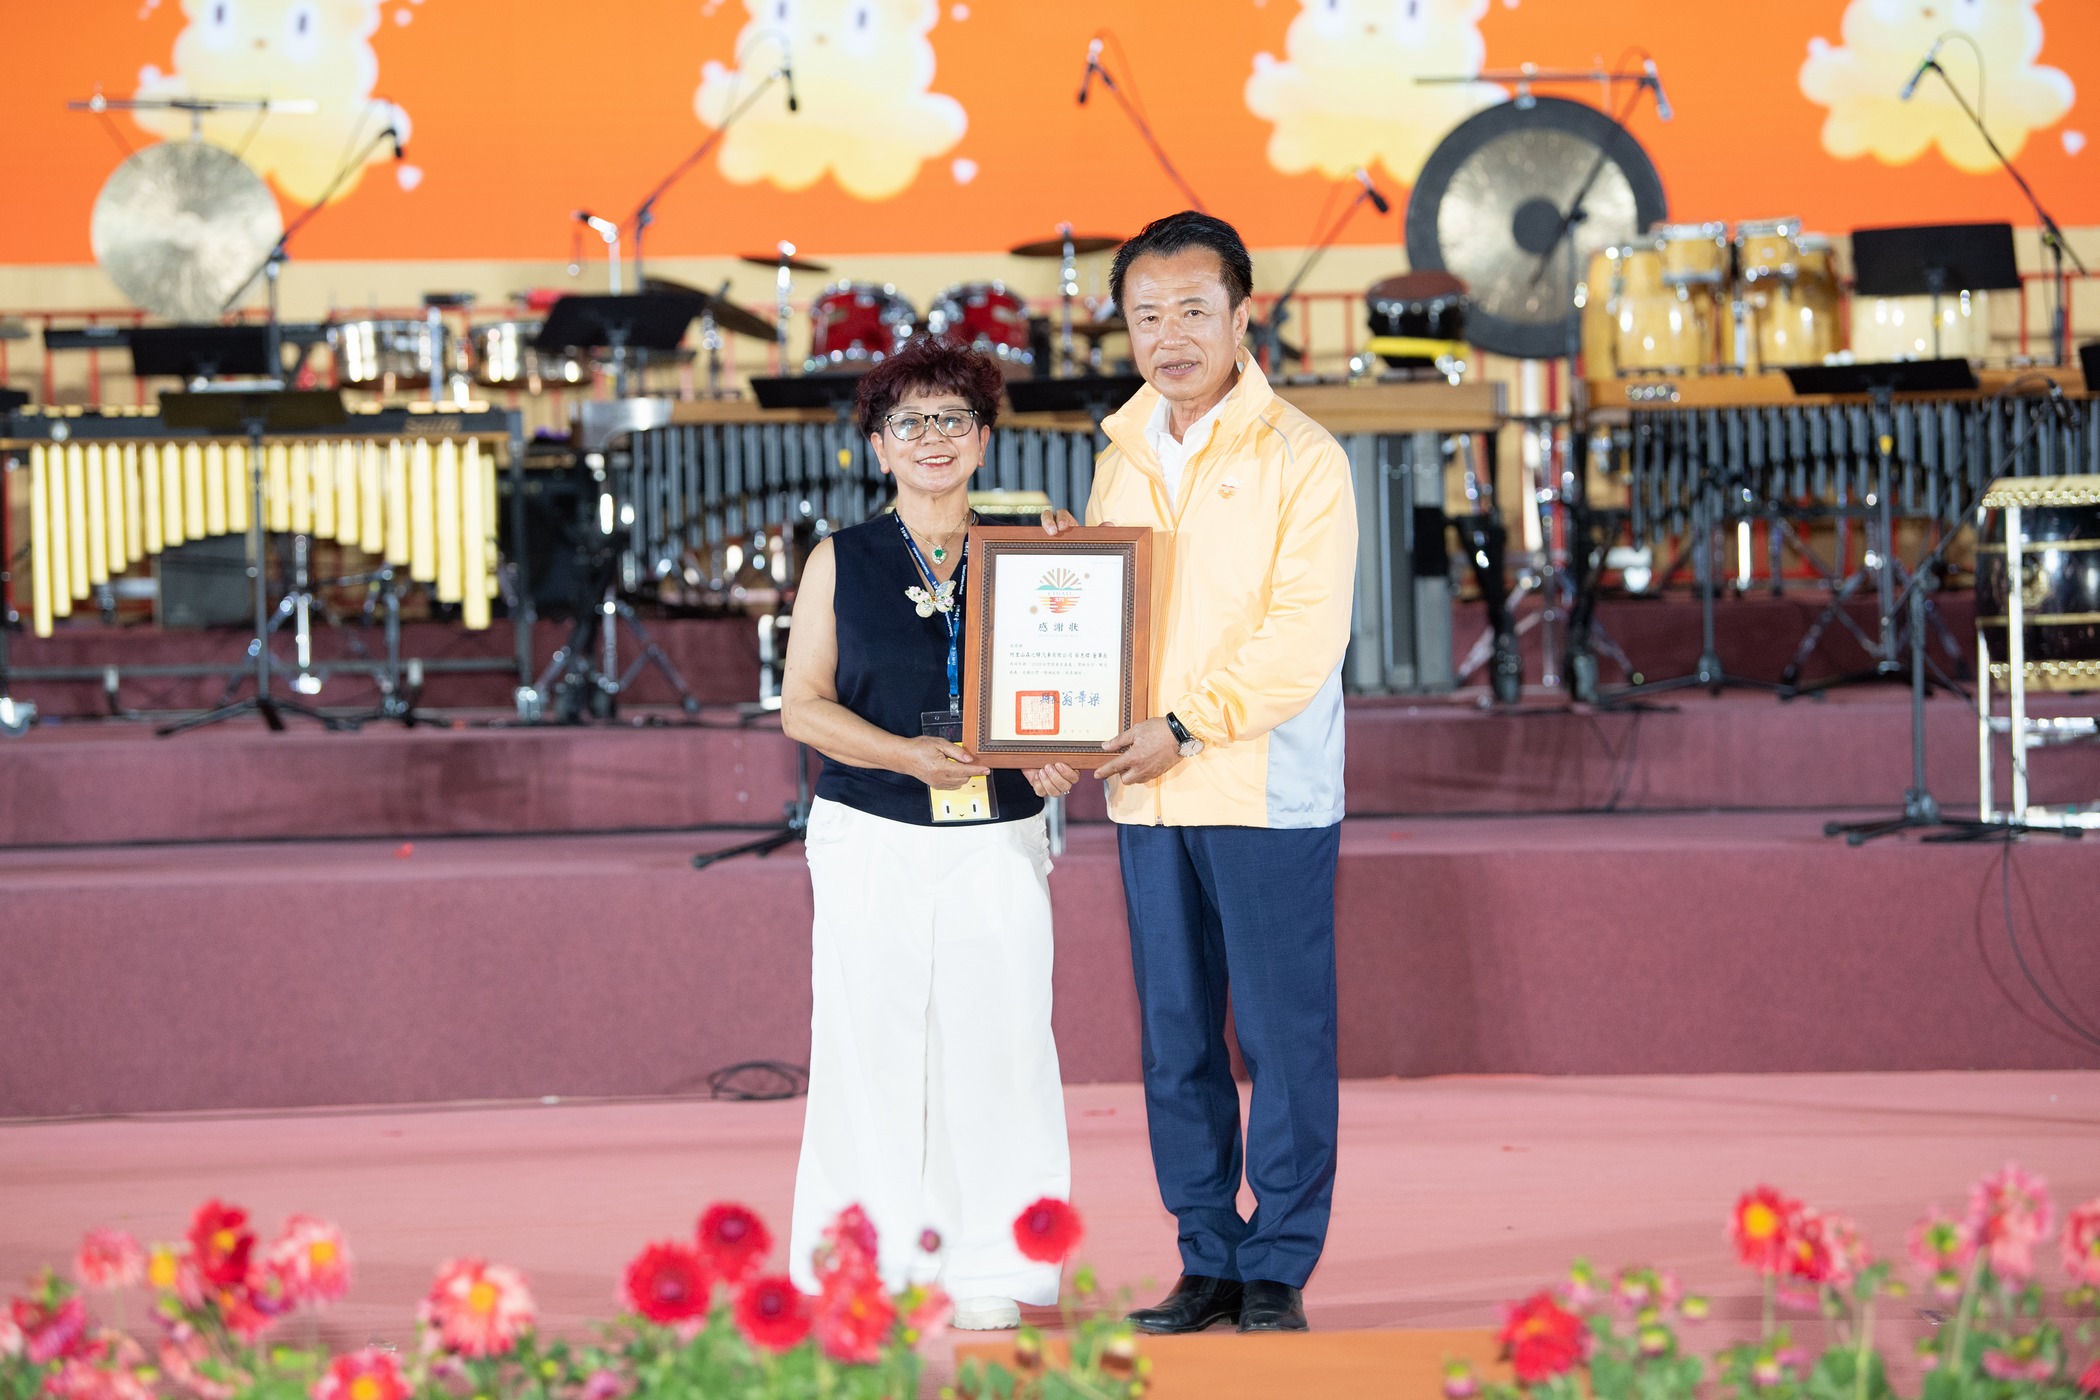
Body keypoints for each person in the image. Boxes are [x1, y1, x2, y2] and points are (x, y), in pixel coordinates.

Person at [1034, 211, 1358, 1333]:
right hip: (1147, 788)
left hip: (1262, 787)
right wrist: (1065, 602)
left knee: (1279, 1037)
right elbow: (1117, 624)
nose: (1168, 336)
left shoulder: (1303, 457)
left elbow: (1302, 639)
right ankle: (1207, 1253)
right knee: (1175, 1040)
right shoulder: (1119, 457)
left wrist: (1186, 722)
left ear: (1242, 315)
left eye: (1192, 310)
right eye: (1146, 315)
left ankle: (1278, 1262)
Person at [780, 338, 1071, 1330]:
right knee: (866, 1050)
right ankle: (866, 1264)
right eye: (909, 422)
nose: (932, 438)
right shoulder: (840, 559)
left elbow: (1074, 691)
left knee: (1002, 1048)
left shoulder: (1038, 552)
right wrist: (905, 755)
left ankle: (993, 1265)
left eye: (953, 419)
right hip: (871, 829)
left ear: (984, 441)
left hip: (999, 832)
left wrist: (1065, 754)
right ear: (878, 445)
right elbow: (803, 707)